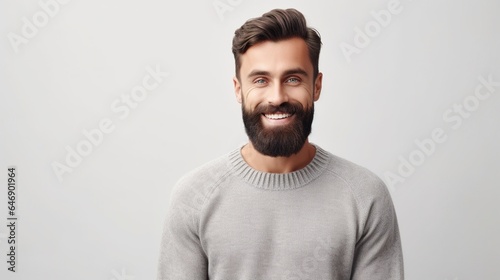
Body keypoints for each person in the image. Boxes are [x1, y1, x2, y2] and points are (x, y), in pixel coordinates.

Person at [157, 8, 404, 280]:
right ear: (238, 89)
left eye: (293, 79)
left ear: (317, 86)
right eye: (260, 80)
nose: (276, 97)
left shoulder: (365, 197)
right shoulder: (194, 197)